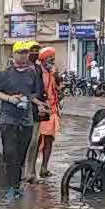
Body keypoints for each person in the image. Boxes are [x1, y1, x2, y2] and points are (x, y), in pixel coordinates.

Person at [0, 42, 45, 200]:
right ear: (13, 54)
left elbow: (33, 94)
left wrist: (39, 104)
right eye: (20, 52)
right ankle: (10, 187)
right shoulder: (5, 74)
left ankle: (17, 186)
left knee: (21, 154)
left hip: (26, 120)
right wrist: (9, 98)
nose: (23, 55)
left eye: (25, 52)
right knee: (10, 153)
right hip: (8, 119)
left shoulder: (33, 73)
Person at [34, 46, 62, 182]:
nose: (52, 62)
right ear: (43, 60)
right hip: (41, 110)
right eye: (50, 59)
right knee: (38, 141)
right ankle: (31, 170)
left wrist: (57, 78)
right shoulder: (38, 73)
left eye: (53, 59)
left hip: (52, 110)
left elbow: (57, 90)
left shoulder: (52, 73)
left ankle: (44, 168)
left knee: (49, 140)